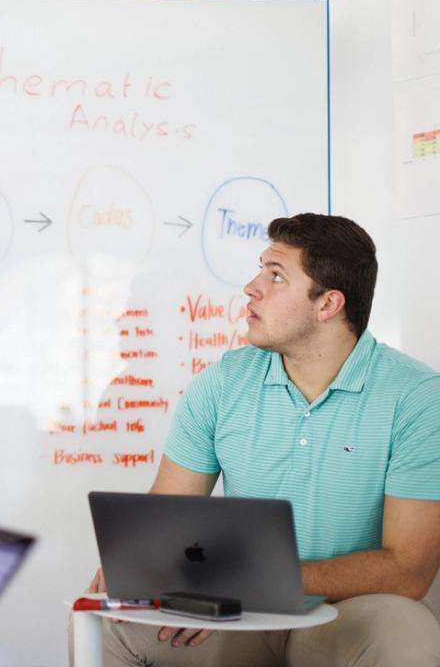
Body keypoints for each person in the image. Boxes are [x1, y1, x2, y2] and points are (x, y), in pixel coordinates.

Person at [87, 213, 440, 666]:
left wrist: (247, 577)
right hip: (242, 610)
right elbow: (165, 520)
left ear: (328, 304)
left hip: (349, 610)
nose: (251, 287)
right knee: (107, 620)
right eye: (261, 270)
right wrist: (142, 566)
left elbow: (407, 571)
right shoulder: (222, 383)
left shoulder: (417, 398)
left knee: (405, 632)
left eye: (276, 276)